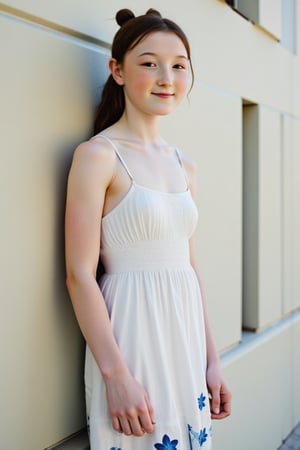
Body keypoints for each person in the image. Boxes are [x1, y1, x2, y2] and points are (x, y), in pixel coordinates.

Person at [65, 8, 231, 450]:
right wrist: (115, 374)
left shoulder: (185, 164)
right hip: (131, 337)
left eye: (179, 65)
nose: (166, 77)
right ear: (117, 70)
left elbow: (192, 269)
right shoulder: (97, 156)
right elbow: (79, 275)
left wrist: (212, 361)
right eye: (149, 63)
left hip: (186, 337)